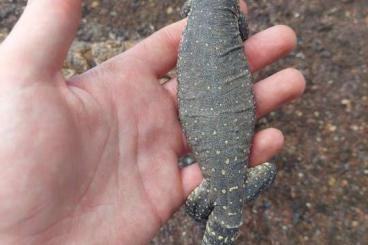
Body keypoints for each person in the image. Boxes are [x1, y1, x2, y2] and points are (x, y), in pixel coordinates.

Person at [0, 0, 305, 244]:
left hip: (221, 168)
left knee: (243, 182)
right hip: (226, 172)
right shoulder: (233, 12)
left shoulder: (194, 8)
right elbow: (242, 31)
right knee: (264, 168)